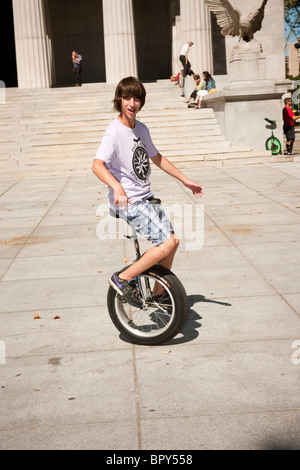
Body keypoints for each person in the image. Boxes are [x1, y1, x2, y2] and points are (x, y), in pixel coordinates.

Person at [92, 76, 203, 306]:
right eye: (127, 98)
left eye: (136, 98)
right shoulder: (113, 132)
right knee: (167, 244)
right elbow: (97, 165)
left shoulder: (141, 128)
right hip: (129, 201)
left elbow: (157, 158)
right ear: (119, 101)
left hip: (145, 197)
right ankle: (123, 279)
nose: (132, 103)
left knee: (173, 242)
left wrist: (185, 180)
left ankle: (159, 295)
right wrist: (116, 186)